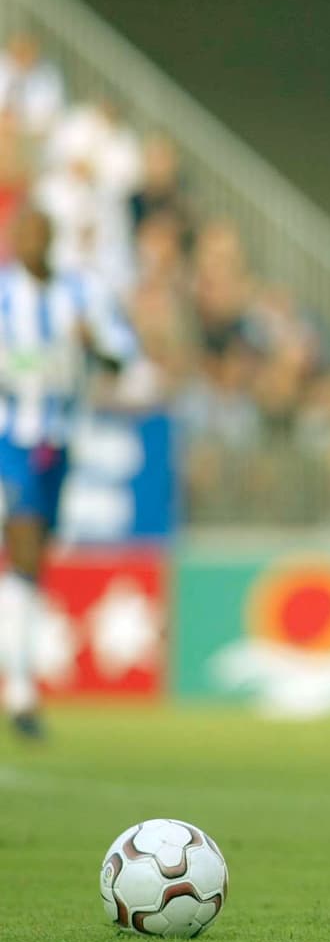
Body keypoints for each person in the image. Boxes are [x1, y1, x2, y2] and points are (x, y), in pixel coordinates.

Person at [0, 207, 137, 738]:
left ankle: (21, 680)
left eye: (36, 233)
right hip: (11, 437)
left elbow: (121, 355)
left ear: (50, 239)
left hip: (59, 442)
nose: (27, 241)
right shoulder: (5, 296)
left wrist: (94, 345)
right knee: (26, 542)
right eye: (20, 233)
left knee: (32, 562)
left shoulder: (81, 294)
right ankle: (22, 692)